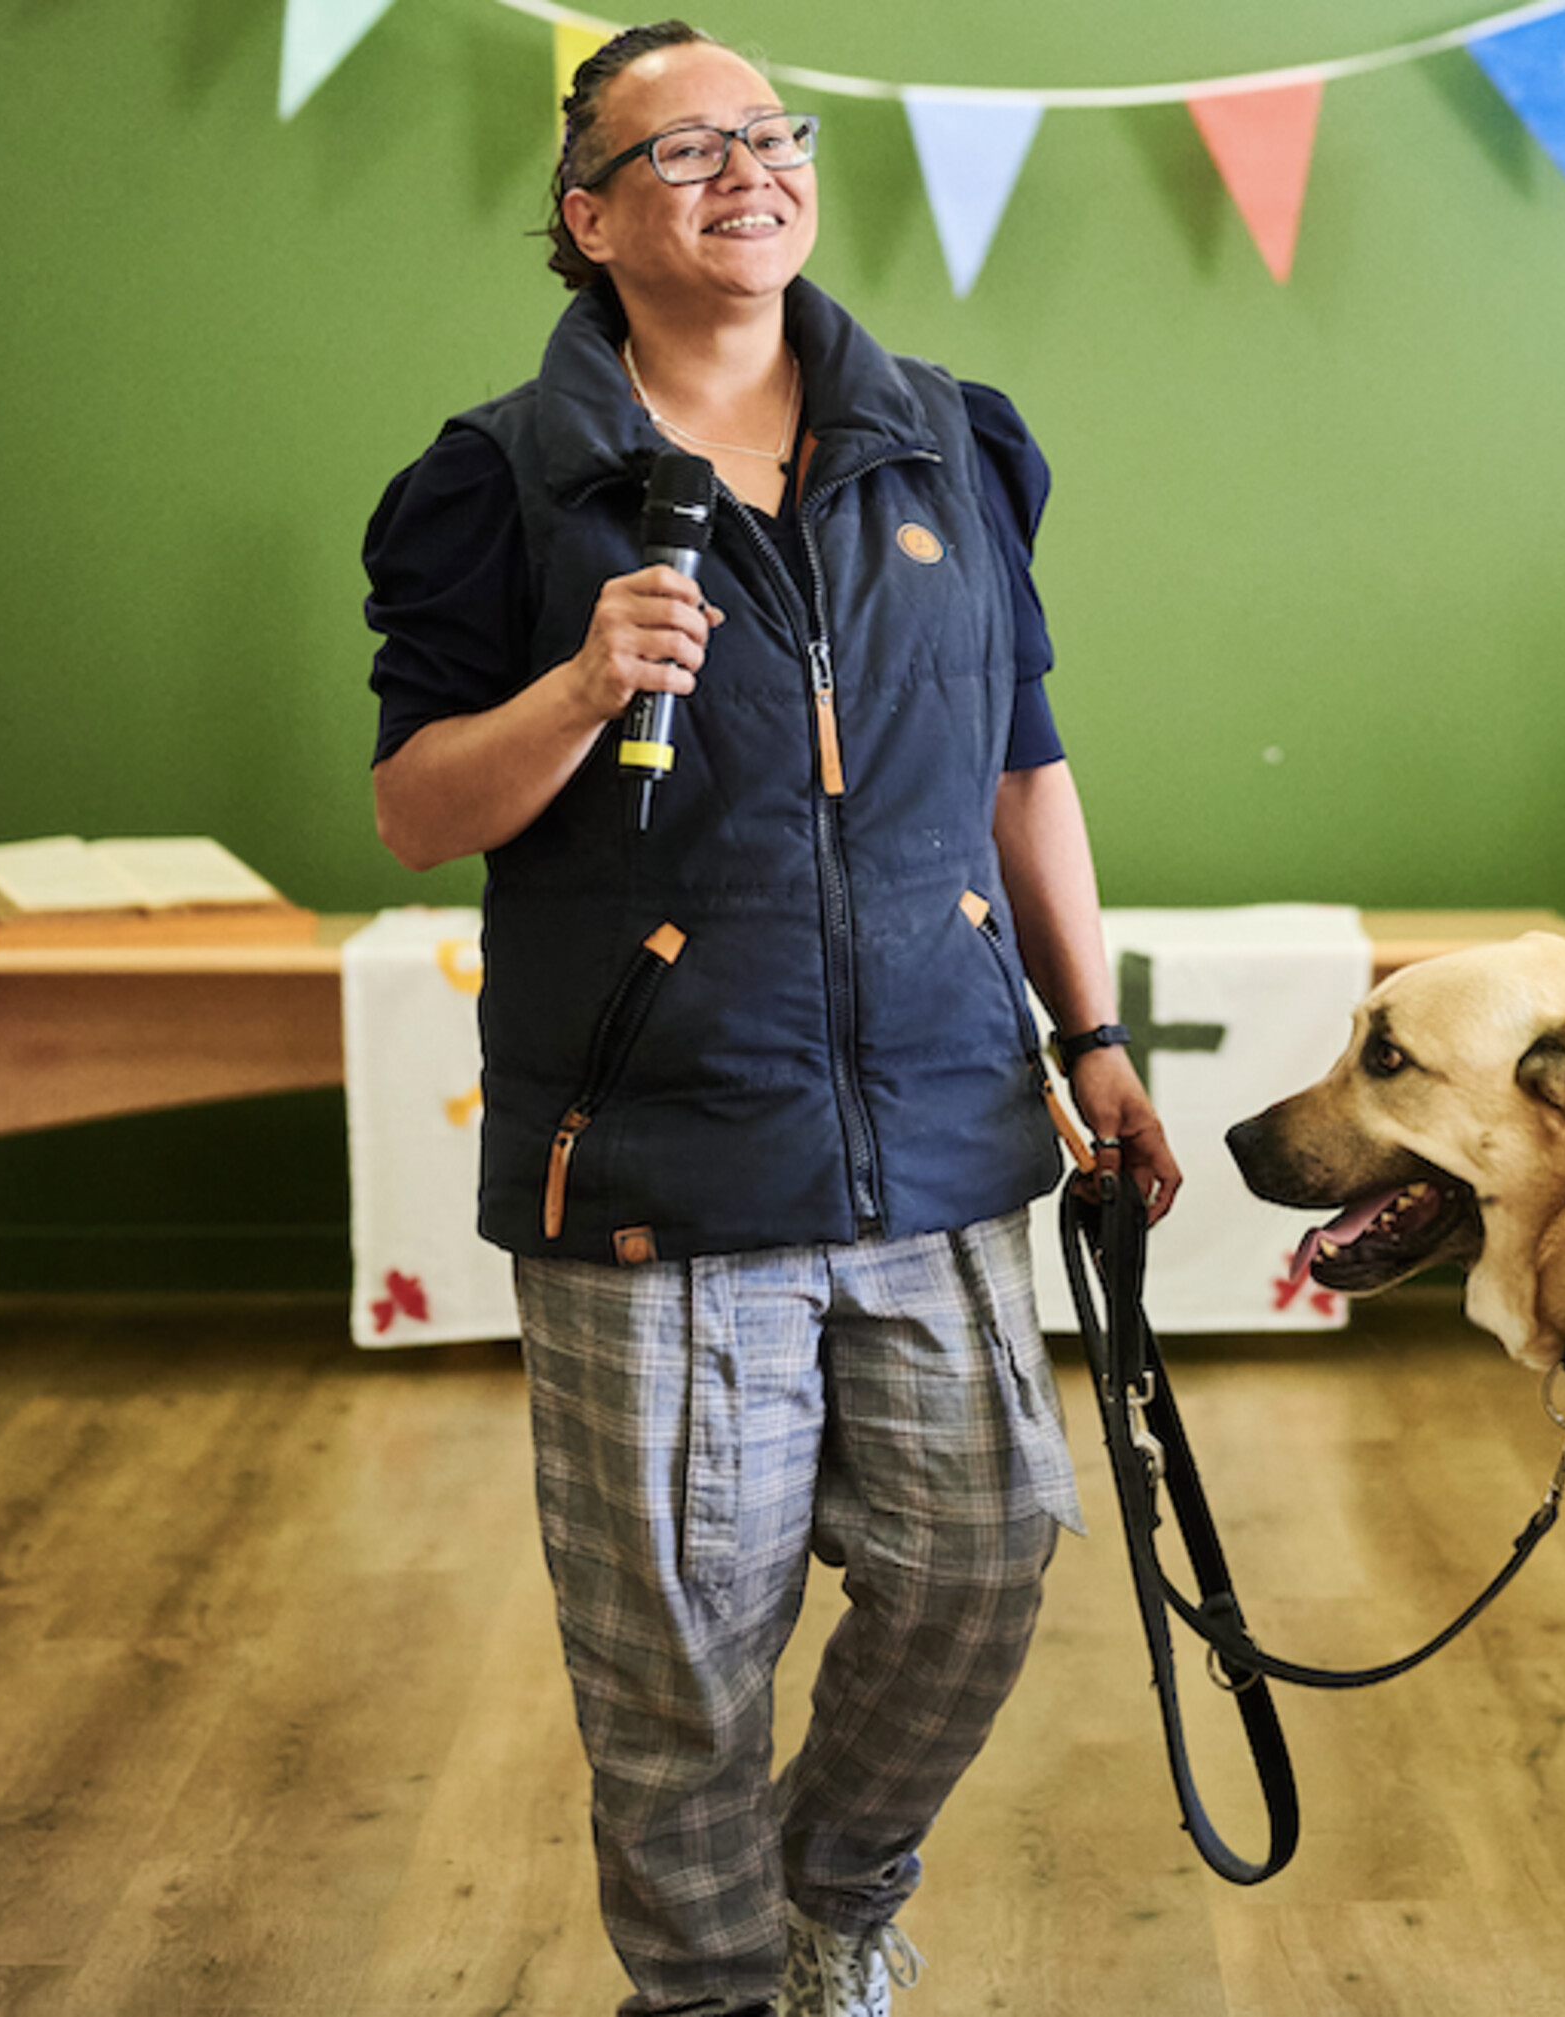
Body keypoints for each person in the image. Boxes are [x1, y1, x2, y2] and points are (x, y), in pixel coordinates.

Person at [362, 22, 1179, 2016]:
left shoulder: (957, 441)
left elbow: (1026, 770)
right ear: (588, 220)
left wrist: (1094, 1033)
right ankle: (712, 1993)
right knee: (675, 1664)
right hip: (655, 1169)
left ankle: (836, 1888)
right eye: (684, 150)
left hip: (945, 1137)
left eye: (770, 134)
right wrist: (569, 690)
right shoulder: (498, 485)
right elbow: (411, 809)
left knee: (988, 1562)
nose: (749, 169)